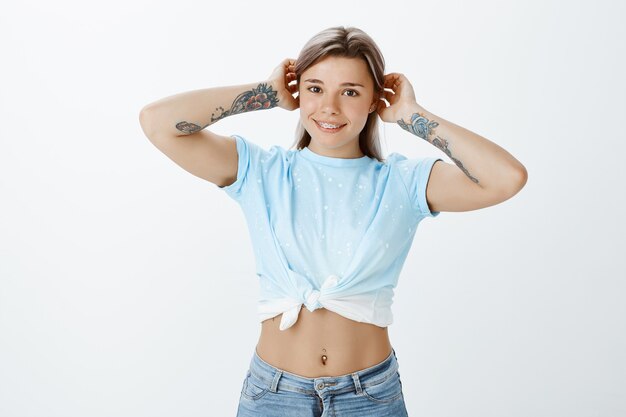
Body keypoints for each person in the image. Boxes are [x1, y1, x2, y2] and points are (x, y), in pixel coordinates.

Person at [139, 25, 527, 417]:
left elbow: (506, 178)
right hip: (273, 395)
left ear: (375, 99)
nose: (329, 107)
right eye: (315, 88)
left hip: (370, 397)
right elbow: (158, 123)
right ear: (298, 91)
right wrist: (265, 94)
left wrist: (413, 115)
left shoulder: (403, 182)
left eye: (351, 92)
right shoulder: (262, 171)